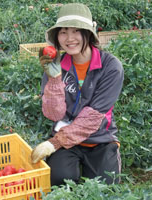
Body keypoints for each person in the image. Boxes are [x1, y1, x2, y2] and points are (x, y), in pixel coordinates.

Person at [31, 3, 124, 186]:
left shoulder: (111, 67)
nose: (69, 38)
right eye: (63, 32)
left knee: (106, 188)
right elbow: (54, 115)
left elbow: (92, 118)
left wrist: (54, 143)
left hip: (100, 140)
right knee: (59, 180)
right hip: (65, 139)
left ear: (88, 34)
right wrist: (55, 80)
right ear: (57, 36)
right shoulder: (55, 65)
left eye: (76, 31)